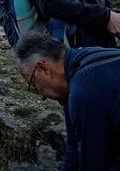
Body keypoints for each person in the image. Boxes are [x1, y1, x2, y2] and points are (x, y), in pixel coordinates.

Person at [13, 30, 120, 169]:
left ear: (44, 68)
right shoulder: (82, 62)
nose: (42, 96)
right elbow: (74, 148)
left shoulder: (83, 91)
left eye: (33, 84)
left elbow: (94, 162)